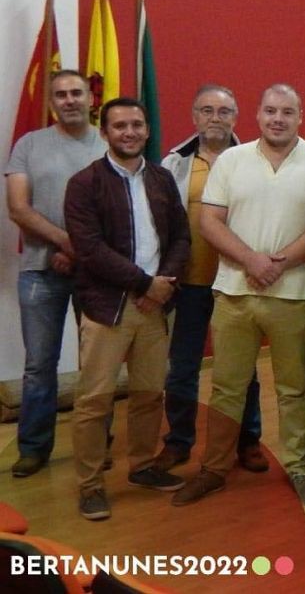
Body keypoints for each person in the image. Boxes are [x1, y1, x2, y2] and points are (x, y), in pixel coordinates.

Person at [170, 84, 305, 507]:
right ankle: (213, 468)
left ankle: (299, 467)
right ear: (258, 116)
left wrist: (277, 263)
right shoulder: (231, 160)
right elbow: (210, 222)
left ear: (301, 116)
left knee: (295, 388)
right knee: (227, 386)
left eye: (286, 111)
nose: (277, 118)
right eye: (269, 111)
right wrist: (252, 261)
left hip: (297, 294)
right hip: (234, 293)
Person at [63, 97, 191, 520]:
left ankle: (141, 467)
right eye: (120, 126)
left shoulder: (161, 178)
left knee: (149, 394)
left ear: (147, 130)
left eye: (137, 124)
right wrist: (144, 283)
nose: (130, 132)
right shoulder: (84, 183)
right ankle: (90, 485)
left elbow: (181, 239)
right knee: (94, 401)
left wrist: (162, 286)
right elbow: (90, 250)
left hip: (155, 306)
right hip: (107, 308)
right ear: (105, 132)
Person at [156, 85, 267, 475]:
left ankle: (248, 439)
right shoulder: (175, 163)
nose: (215, 118)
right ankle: (179, 441)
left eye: (223, 111)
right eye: (207, 110)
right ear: (194, 116)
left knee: (241, 368)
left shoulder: (253, 159)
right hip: (188, 284)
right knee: (183, 367)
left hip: (234, 281)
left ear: (236, 117)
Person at [4, 69, 106, 478]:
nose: (69, 100)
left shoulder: (107, 143)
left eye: (76, 93)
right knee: (39, 365)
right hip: (39, 272)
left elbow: (116, 210)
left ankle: (98, 444)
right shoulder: (29, 145)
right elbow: (18, 208)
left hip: (96, 272)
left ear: (89, 99)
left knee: (97, 363)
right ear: (51, 103)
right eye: (61, 94)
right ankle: (34, 448)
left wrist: (80, 252)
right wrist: (67, 243)